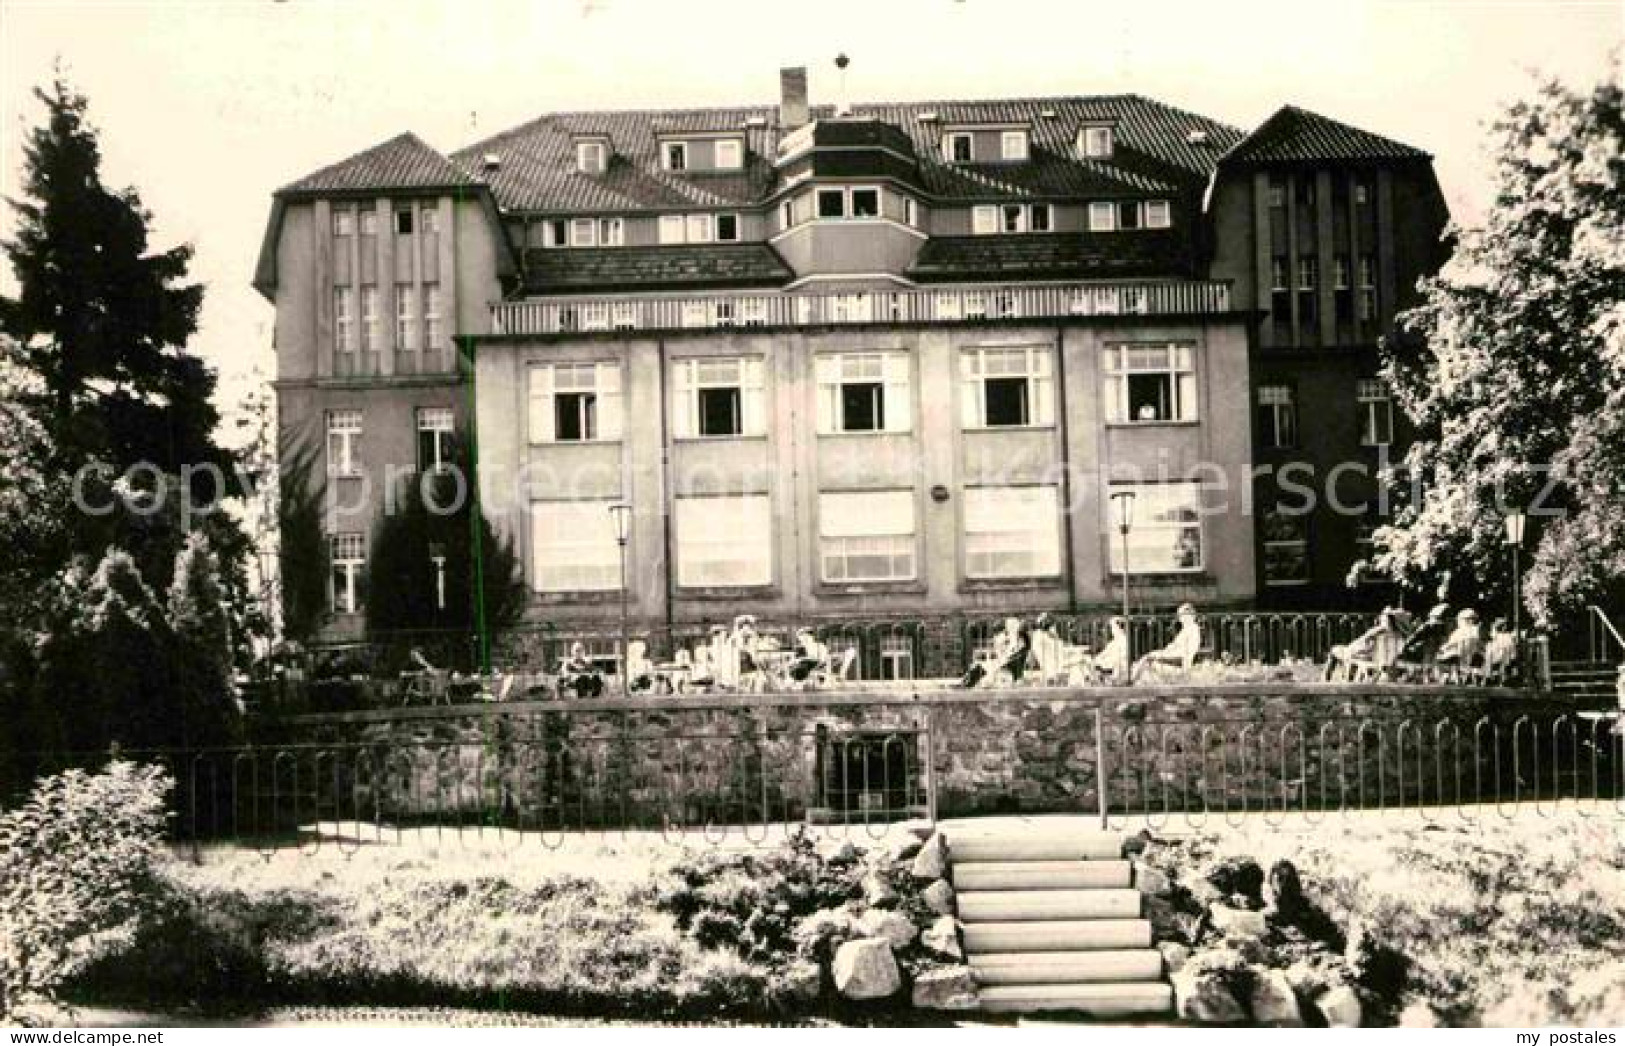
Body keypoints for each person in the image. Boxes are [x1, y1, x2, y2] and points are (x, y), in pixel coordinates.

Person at [1323, 607, 1409, 681]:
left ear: (1389, 619)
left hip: (1364, 655)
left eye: (1384, 616)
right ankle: (1341, 678)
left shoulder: (1379, 631)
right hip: (1375, 657)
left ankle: (1325, 680)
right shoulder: (1399, 636)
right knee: (1347, 654)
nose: (1381, 617)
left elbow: (1364, 641)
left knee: (1334, 650)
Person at [1132, 603, 1203, 682]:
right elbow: (1176, 645)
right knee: (1148, 660)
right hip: (1175, 655)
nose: (1181, 618)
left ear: (1191, 616)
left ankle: (1130, 679)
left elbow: (1187, 650)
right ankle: (1132, 678)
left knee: (1148, 658)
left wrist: (1167, 652)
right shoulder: (1187, 629)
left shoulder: (1192, 629)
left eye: (1183, 615)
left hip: (1180, 657)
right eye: (1180, 615)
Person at [959, 617, 1032, 688]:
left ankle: (966, 684)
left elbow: (1015, 654)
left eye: (1013, 626)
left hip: (1006, 665)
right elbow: (1006, 652)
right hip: (1003, 662)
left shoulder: (1022, 640)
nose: (1009, 628)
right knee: (978, 666)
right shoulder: (1010, 639)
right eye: (1009, 626)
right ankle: (965, 683)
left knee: (981, 667)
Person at [1392, 604, 1451, 680]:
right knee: (1434, 662)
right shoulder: (1443, 625)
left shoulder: (1429, 624)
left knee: (1427, 661)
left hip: (1428, 645)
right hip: (1437, 645)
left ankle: (1427, 677)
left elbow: (1416, 635)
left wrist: (1407, 644)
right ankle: (1436, 676)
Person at [1434, 608, 1485, 679]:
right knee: (1478, 656)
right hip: (1471, 653)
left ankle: (1448, 674)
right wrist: (1482, 649)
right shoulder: (1476, 630)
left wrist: (1442, 648)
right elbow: (1480, 642)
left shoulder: (1458, 631)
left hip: (1461, 653)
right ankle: (1473, 672)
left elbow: (1451, 643)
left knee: (1443, 656)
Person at [1091, 616, 1131, 682]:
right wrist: (1097, 658)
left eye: (1113, 628)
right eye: (1112, 628)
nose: (1112, 630)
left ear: (1118, 628)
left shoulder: (1123, 640)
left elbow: (1123, 656)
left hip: (1118, 663)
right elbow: (1105, 652)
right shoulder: (1114, 641)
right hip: (1112, 661)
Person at [1482, 617, 1518, 683]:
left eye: (1505, 626)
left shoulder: (1508, 635)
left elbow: (1512, 643)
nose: (1505, 627)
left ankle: (1503, 678)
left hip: (1506, 652)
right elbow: (1492, 639)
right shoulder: (1496, 635)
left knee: (1505, 665)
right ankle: (1492, 677)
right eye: (1503, 626)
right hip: (1498, 652)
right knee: (1497, 664)